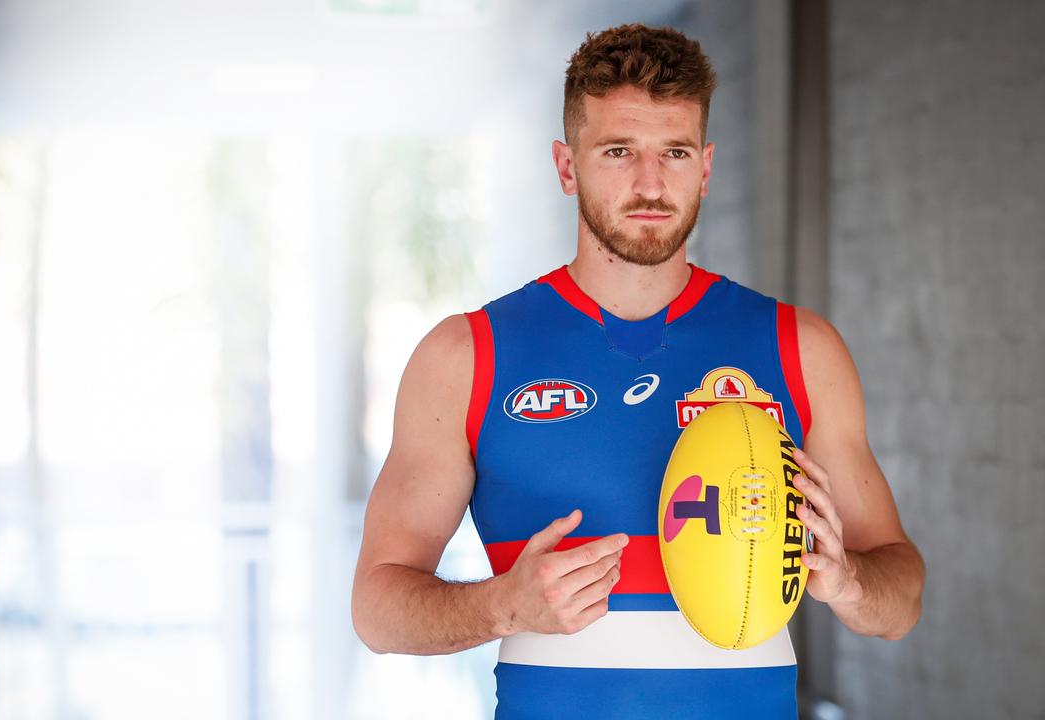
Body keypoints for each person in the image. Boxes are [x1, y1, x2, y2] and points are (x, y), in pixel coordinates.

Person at [350, 23, 925, 719]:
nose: (650, 183)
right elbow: (377, 608)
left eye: (675, 153)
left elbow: (900, 602)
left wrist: (851, 582)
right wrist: (503, 604)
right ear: (567, 166)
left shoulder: (800, 347)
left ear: (706, 167)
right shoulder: (467, 356)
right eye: (618, 151)